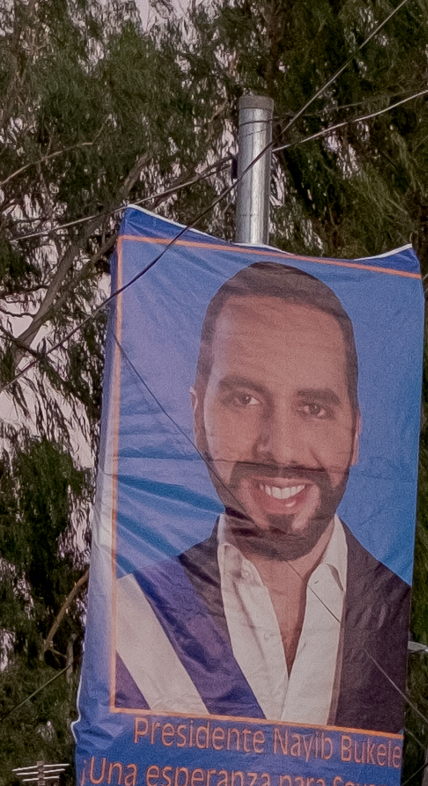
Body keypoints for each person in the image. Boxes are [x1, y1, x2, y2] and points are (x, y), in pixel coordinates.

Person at [105, 257, 412, 737]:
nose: (280, 450)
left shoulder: (405, 615)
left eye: (313, 408)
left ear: (355, 431)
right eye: (244, 400)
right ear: (197, 417)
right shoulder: (131, 619)